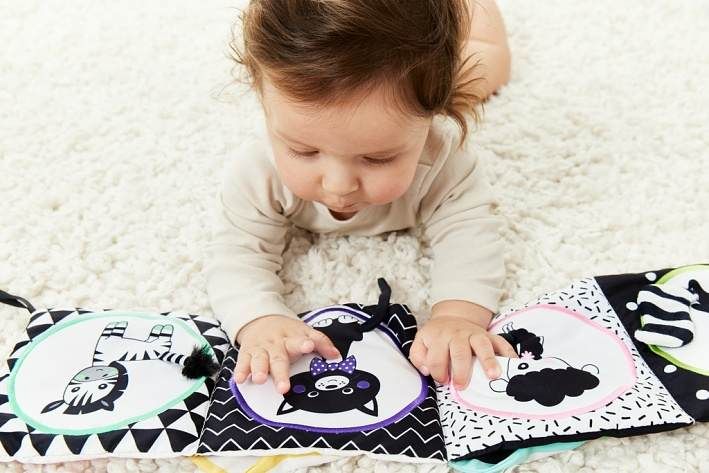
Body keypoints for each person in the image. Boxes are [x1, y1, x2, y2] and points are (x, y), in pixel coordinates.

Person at [206, 0, 516, 395]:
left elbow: (470, 235)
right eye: (304, 151)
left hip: (448, 64)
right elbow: (236, 253)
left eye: (377, 158)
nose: (339, 186)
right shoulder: (257, 169)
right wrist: (259, 319)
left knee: (488, 62)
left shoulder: (444, 160)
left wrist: (458, 315)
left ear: (430, 117)